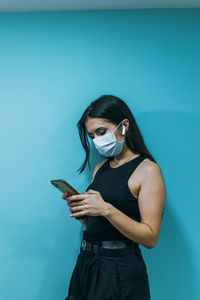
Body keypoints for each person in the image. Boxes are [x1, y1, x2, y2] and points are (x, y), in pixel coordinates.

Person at [63, 94, 166, 300]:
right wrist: (84, 213)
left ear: (124, 125)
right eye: (92, 136)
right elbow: (103, 226)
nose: (97, 141)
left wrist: (105, 209)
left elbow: (150, 237)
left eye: (101, 132)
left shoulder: (148, 170)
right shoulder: (101, 167)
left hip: (119, 268)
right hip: (87, 263)